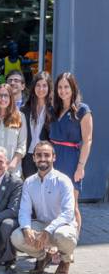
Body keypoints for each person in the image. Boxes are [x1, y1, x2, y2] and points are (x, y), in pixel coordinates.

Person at [10, 141, 77, 274]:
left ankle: (65, 260)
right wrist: (26, 228)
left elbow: (68, 213)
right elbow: (24, 210)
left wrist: (48, 230)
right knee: (16, 237)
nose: (43, 158)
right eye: (39, 155)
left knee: (64, 236)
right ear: (34, 158)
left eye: (47, 155)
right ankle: (42, 257)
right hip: (41, 225)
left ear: (54, 157)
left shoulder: (63, 180)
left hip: (62, 226)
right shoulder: (29, 182)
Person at [50, 72, 93, 230]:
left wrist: (81, 167)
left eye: (66, 87)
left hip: (71, 160)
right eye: (60, 87)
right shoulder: (54, 109)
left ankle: (72, 241)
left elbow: (87, 140)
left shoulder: (82, 110)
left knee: (72, 206)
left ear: (73, 88)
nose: (63, 90)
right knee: (54, 205)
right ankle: (55, 241)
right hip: (53, 159)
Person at [21, 72, 53, 178]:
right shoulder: (25, 109)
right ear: (33, 87)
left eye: (44, 85)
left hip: (45, 156)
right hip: (28, 156)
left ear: (49, 88)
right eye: (38, 85)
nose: (41, 89)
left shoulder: (53, 110)